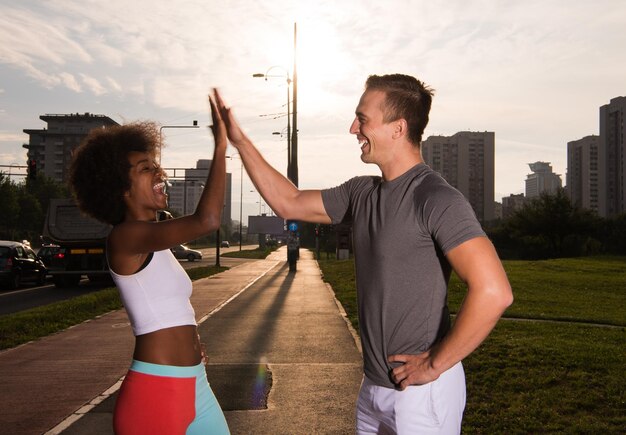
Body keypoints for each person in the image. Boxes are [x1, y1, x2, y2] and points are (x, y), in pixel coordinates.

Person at [214, 74, 513, 434]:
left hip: (421, 395)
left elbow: (494, 291)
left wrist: (434, 364)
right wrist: (240, 140)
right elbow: (288, 201)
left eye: (363, 119)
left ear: (398, 128)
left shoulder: (435, 198)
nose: (353, 128)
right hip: (372, 389)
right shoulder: (362, 193)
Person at [68, 91, 230, 435]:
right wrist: (220, 147)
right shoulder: (125, 237)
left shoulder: (156, 239)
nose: (159, 171)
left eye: (156, 165)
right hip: (156, 394)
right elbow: (208, 219)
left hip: (195, 385)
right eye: (145, 168)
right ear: (120, 189)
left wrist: (191, 339)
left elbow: (165, 308)